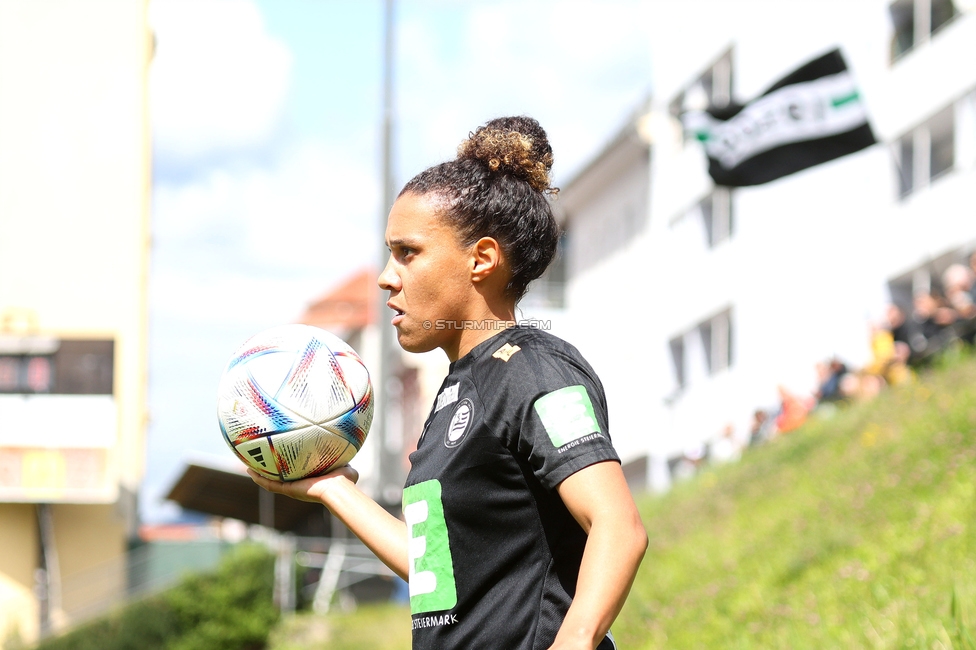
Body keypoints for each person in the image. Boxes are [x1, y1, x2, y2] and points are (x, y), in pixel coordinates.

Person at [249, 116, 648, 650]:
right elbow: (437, 571)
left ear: (481, 259)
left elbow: (618, 528)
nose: (387, 276)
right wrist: (330, 489)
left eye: (407, 252)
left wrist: (574, 640)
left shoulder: (533, 368)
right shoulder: (455, 394)